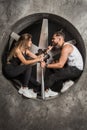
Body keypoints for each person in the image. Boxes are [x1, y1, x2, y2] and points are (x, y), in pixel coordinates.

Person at [41, 31, 83, 97]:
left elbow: (60, 65)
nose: (52, 40)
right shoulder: (63, 47)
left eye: (53, 38)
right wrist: (47, 50)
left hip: (75, 70)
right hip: (72, 68)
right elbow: (49, 54)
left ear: (59, 39)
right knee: (53, 64)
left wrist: (46, 65)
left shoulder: (66, 47)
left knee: (52, 77)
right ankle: (63, 84)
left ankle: (38, 92)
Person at [3, 33, 44, 98]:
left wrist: (42, 57)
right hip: (9, 70)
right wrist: (38, 60)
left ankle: (34, 90)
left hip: (16, 70)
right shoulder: (17, 50)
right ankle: (24, 88)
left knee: (34, 82)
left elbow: (36, 57)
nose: (31, 42)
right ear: (25, 41)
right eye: (30, 40)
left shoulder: (26, 51)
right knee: (28, 66)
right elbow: (25, 62)